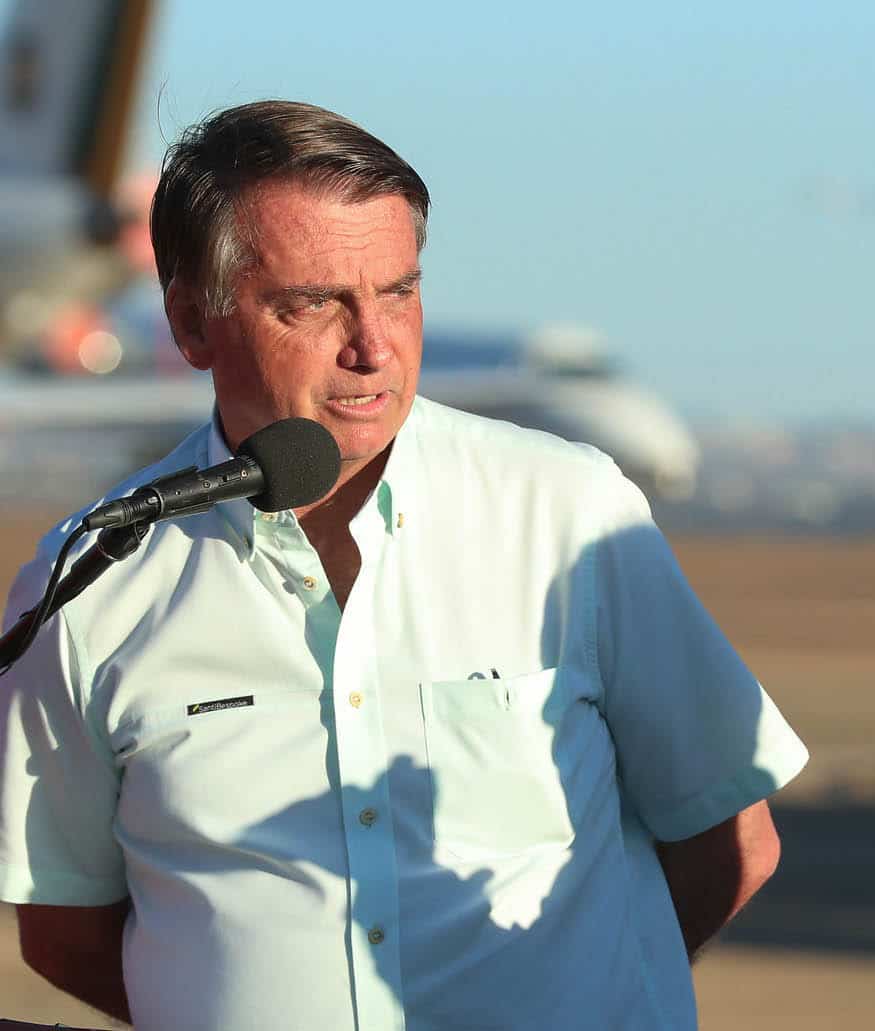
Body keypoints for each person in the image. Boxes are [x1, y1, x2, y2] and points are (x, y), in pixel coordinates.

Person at [0, 100, 808, 1031]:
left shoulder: (570, 512)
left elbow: (731, 844)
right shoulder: (93, 576)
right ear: (192, 322)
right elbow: (62, 926)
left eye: (398, 291)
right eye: (314, 302)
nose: (374, 346)